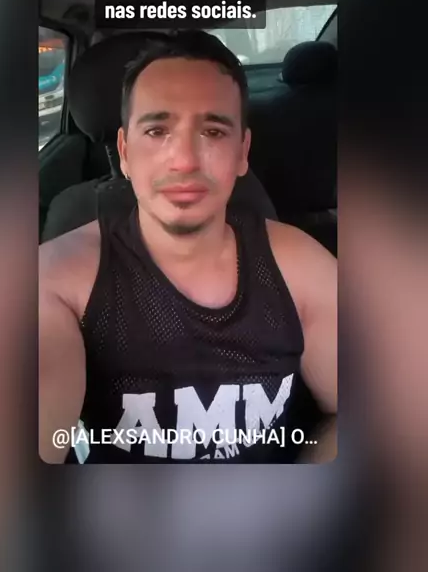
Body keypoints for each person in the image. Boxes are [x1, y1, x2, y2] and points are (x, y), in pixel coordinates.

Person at [39, 31, 337, 463]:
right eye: (157, 130)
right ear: (125, 151)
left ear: (242, 151)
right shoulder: (58, 280)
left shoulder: (302, 265)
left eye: (213, 131)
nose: (184, 161)